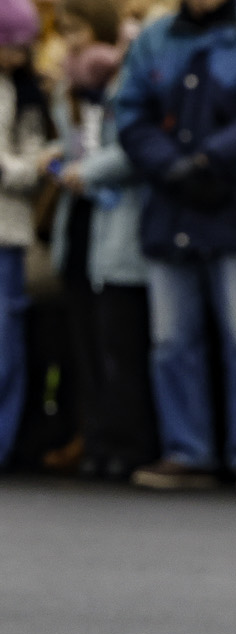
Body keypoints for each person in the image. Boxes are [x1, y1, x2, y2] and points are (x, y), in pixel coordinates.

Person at [114, 0, 236, 494]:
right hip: (170, 204)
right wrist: (170, 165)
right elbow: (130, 112)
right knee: (171, 339)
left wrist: (210, 160)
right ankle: (187, 450)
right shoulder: (155, 36)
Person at [49, 0, 158, 482]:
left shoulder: (129, 78)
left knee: (121, 343)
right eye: (65, 31)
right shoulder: (68, 87)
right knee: (85, 343)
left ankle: (128, 443)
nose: (71, 40)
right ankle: (94, 439)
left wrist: (88, 171)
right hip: (78, 222)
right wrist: (55, 156)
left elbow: (134, 147)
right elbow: (74, 141)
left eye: (78, 29)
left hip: (121, 227)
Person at [0, 0, 53, 473]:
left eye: (24, 47)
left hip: (12, 235)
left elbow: (35, 151)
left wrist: (38, 163)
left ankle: (5, 442)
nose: (18, 54)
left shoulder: (28, 92)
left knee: (9, 344)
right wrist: (33, 166)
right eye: (11, 45)